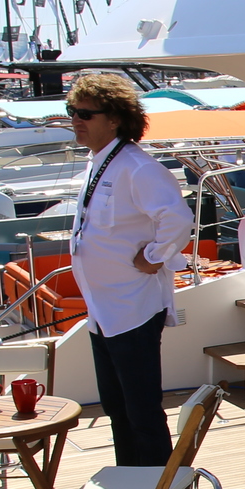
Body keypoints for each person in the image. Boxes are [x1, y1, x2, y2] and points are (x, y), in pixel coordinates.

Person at [66, 73, 191, 468]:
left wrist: (154, 256)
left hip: (132, 309)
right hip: (103, 311)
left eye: (86, 114)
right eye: (72, 112)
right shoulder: (99, 163)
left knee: (142, 411)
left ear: (115, 119)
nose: (76, 120)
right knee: (117, 408)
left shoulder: (137, 167)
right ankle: (129, 486)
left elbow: (178, 219)